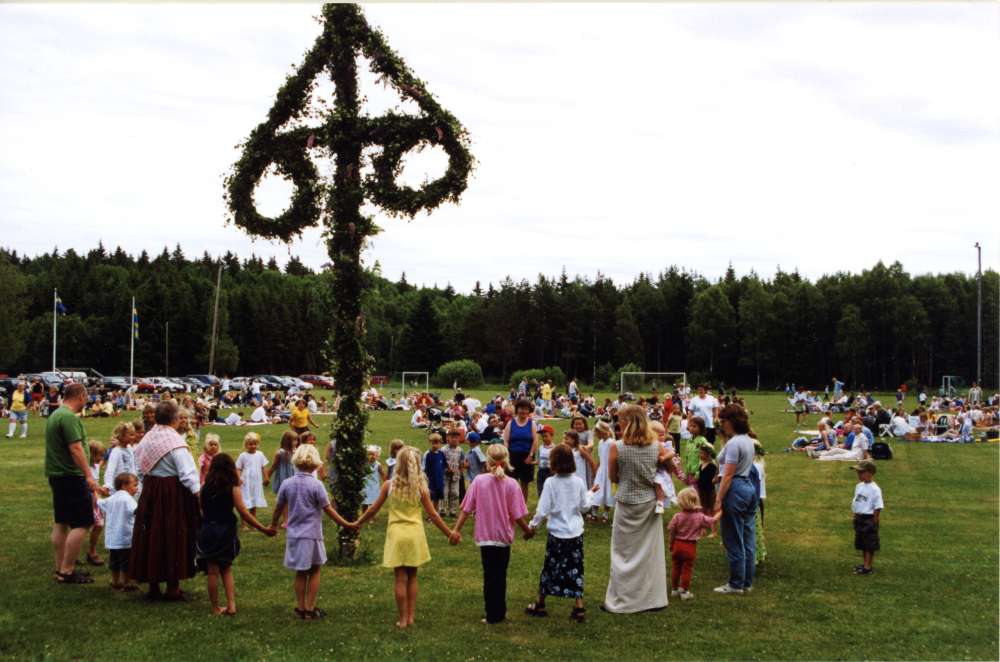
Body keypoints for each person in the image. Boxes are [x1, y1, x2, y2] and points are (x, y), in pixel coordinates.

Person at [354, 446, 456, 628]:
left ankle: (402, 619)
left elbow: (373, 508)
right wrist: (450, 533)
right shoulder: (421, 487)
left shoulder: (389, 485)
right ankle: (411, 616)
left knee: (400, 579)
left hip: (396, 534)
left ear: (398, 464)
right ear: (417, 465)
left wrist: (359, 522)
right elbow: (433, 514)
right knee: (413, 576)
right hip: (414, 534)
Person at [269, 444, 359, 619]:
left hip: (294, 534)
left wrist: (273, 525)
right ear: (315, 462)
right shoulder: (316, 485)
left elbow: (278, 509)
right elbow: (329, 510)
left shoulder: (287, 483)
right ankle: (310, 609)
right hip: (312, 535)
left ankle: (301, 608)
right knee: (315, 570)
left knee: (300, 572)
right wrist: (346, 524)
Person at [450, 444, 533, 624]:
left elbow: (465, 509)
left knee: (489, 576)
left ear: (488, 460)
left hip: (486, 538)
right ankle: (499, 613)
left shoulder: (479, 481)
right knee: (500, 575)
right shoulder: (511, 484)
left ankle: (492, 614)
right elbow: (517, 515)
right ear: (506, 461)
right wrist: (527, 531)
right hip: (503, 539)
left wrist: (456, 529)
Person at [131, 400, 202, 601]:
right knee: (172, 536)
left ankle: (153, 588)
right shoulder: (175, 443)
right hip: (172, 493)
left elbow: (140, 469)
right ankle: (173, 590)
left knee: (152, 536)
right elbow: (188, 475)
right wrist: (199, 498)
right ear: (174, 419)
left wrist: (142, 493)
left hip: (151, 490)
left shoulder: (147, 439)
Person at [601, 405, 668, 614]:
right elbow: (665, 472)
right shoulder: (657, 446)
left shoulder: (617, 446)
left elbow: (613, 478)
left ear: (628, 422)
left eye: (621, 420)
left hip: (627, 503)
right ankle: (652, 599)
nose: (618, 423)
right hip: (649, 503)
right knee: (650, 553)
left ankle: (622, 601)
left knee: (622, 553)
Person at [197, 453, 276, 615]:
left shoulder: (204, 486)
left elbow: (202, 511)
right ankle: (231, 605)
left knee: (212, 572)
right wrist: (264, 529)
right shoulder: (232, 487)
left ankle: (215, 607)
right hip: (226, 532)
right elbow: (244, 514)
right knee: (226, 570)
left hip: (208, 530)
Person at [45, 383, 108, 584]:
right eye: (87, 397)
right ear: (81, 396)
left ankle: (60, 569)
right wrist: (89, 476)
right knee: (83, 522)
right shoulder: (69, 418)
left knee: (62, 522)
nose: (87, 401)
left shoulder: (56, 414)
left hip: (57, 475)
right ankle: (67, 570)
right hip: (71, 476)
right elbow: (76, 449)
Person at [524, 444, 594, 622]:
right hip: (575, 534)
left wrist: (531, 528)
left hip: (556, 534)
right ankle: (579, 607)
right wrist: (590, 494)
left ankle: (540, 604)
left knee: (550, 568)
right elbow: (585, 506)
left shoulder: (550, 483)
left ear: (553, 463)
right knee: (576, 569)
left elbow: (541, 510)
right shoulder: (578, 481)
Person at [713, 403, 758, 595]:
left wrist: (718, 499)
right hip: (748, 487)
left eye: (723, 421)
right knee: (748, 538)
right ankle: (746, 581)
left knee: (733, 539)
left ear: (733, 421)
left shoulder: (733, 444)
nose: (721, 424)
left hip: (735, 489)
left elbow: (728, 474)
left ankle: (736, 584)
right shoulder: (747, 440)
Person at [668, 487, 720, 600]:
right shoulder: (699, 517)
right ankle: (685, 592)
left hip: (677, 545)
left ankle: (674, 589)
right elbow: (713, 521)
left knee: (676, 568)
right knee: (686, 570)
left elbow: (672, 532)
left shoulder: (677, 516)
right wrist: (721, 512)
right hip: (690, 547)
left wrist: (671, 544)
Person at [97, 472, 140, 591]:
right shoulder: (128, 499)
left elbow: (99, 503)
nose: (137, 488)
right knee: (126, 563)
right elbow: (135, 511)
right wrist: (144, 506)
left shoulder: (111, 499)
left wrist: (95, 492)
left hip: (112, 539)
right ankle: (127, 584)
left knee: (114, 562)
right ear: (124, 486)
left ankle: (116, 582)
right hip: (125, 538)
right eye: (135, 485)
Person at [502, 398, 539, 505]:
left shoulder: (532, 423)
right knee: (511, 482)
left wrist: (530, 455)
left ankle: (523, 506)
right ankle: (511, 504)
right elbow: (506, 441)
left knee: (524, 483)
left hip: (526, 455)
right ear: (517, 409)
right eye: (522, 409)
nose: (524, 411)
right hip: (512, 455)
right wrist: (507, 455)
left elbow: (535, 441)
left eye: (527, 409)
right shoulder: (511, 423)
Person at [850, 459, 884, 575]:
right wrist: (856, 515)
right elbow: (857, 502)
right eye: (857, 473)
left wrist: (874, 521)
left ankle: (868, 567)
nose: (858, 475)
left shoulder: (875, 489)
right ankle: (864, 564)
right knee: (862, 542)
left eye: (861, 473)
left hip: (869, 518)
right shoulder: (859, 486)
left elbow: (878, 507)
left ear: (870, 473)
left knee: (870, 543)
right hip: (860, 517)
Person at [235, 433, 270, 531]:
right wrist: (238, 478)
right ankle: (244, 525)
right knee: (245, 503)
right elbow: (238, 468)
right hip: (246, 482)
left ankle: (253, 524)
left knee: (253, 503)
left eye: (255, 444)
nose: (253, 446)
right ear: (246, 445)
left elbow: (263, 467)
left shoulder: (260, 454)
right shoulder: (243, 455)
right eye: (250, 444)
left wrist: (266, 477)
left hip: (256, 482)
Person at [268, 430, 299, 527]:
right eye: (295, 440)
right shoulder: (280, 453)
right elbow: (273, 466)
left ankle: (294, 518)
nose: (296, 442)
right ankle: (285, 520)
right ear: (289, 441)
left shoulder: (296, 451)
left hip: (293, 476)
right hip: (283, 477)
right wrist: (267, 477)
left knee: (294, 498)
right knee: (284, 499)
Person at [590, 421, 615, 523]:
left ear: (602, 432)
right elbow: (600, 457)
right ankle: (594, 514)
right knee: (598, 490)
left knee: (607, 490)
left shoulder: (611, 443)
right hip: (601, 471)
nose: (595, 435)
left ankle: (605, 515)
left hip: (609, 470)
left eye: (597, 432)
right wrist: (597, 469)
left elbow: (612, 458)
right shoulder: (601, 443)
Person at [104, 422, 137, 495]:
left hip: (129, 487)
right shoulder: (116, 451)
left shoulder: (129, 449)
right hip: (119, 489)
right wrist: (107, 485)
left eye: (134, 435)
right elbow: (110, 470)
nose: (133, 437)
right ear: (121, 436)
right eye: (131, 435)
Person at [421, 434, 446, 517]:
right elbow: (423, 468)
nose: (435, 445)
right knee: (430, 499)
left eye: (437, 443)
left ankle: (436, 514)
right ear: (430, 443)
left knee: (437, 499)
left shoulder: (441, 454)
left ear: (440, 443)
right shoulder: (428, 454)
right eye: (433, 443)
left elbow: (446, 464)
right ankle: (430, 515)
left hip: (439, 481)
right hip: (431, 481)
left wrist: (450, 469)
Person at [442, 431, 465, 518]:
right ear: (448, 438)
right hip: (445, 475)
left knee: (455, 493)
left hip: (455, 476)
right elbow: (441, 463)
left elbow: (461, 463)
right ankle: (442, 511)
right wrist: (446, 470)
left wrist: (459, 473)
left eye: (456, 437)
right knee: (444, 493)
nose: (454, 439)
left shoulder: (460, 450)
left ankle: (453, 512)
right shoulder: (444, 450)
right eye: (452, 437)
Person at [363, 445, 386, 519]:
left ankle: (372, 518)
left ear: (377, 455)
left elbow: (382, 474)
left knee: (373, 503)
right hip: (365, 486)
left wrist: (385, 482)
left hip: (374, 487)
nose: (372, 456)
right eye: (370, 454)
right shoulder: (364, 464)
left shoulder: (377, 465)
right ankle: (364, 517)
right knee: (364, 503)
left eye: (373, 454)